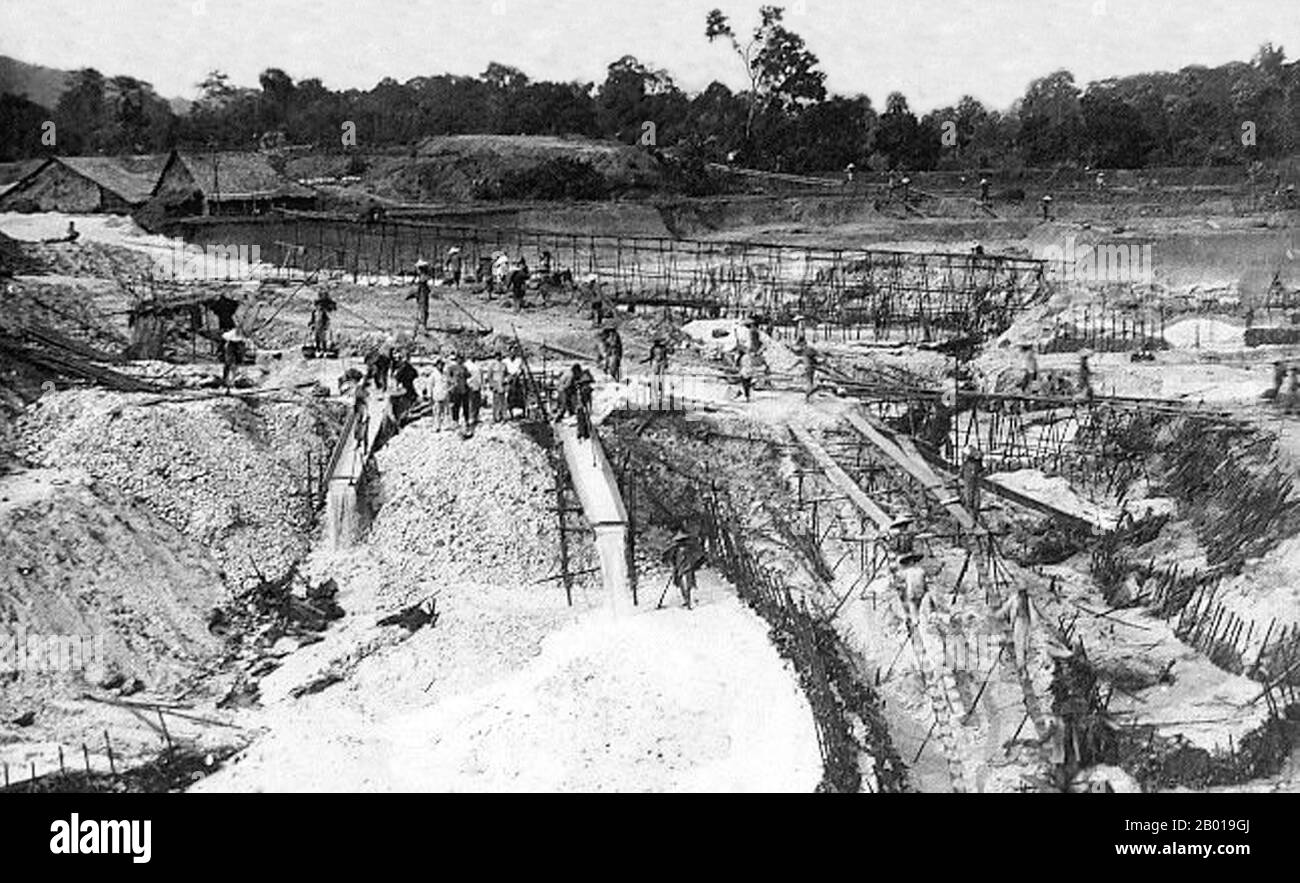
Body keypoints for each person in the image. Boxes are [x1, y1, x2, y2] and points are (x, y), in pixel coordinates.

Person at [997, 586, 1041, 669]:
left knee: (1025, 643)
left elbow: (1033, 612)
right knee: (1019, 642)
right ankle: (1020, 664)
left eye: (1023, 592)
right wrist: (999, 614)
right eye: (1021, 592)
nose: (1022, 594)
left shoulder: (1028, 600)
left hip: (1026, 622)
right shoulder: (1015, 598)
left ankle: (1023, 663)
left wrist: (1034, 623)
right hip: (1018, 621)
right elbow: (1006, 607)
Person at [663, 528, 706, 610]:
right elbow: (668, 557)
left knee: (688, 586)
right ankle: (687, 601)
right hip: (681, 570)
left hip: (687, 569)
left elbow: (698, 556)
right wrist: (673, 564)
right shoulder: (674, 549)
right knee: (684, 586)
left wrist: (694, 563)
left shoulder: (690, 548)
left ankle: (689, 602)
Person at [445, 353, 470, 431]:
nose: (460, 360)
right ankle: (455, 421)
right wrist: (453, 381)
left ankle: (466, 420)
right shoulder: (451, 368)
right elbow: (448, 377)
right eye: (459, 358)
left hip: (464, 389)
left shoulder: (464, 367)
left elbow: (468, 375)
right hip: (455, 390)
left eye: (461, 359)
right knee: (456, 406)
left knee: (465, 406)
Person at [644, 336, 670, 405]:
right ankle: (655, 396)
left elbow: (665, 356)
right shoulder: (654, 348)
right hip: (656, 363)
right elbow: (651, 357)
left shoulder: (662, 348)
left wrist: (666, 363)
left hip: (660, 363)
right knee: (655, 379)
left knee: (659, 379)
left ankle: (659, 395)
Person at [960, 446, 983, 519]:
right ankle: (970, 514)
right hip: (969, 481)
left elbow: (979, 470)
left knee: (975, 499)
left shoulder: (974, 463)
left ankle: (973, 514)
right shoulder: (967, 464)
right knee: (970, 498)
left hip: (974, 482)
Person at [408, 260, 432, 331]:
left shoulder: (423, 276)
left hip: (423, 292)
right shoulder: (422, 276)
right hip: (422, 292)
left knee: (423, 308)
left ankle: (423, 324)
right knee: (423, 308)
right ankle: (422, 323)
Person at [486, 350, 508, 422]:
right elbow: (489, 376)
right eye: (497, 356)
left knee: (503, 401)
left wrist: (506, 380)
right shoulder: (492, 365)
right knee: (496, 401)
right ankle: (496, 417)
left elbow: (506, 374)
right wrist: (491, 384)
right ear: (495, 357)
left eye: (500, 356)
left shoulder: (504, 365)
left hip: (502, 384)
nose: (498, 357)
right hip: (495, 384)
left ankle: (503, 416)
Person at [428, 358, 449, 430]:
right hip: (436, 395)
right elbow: (430, 385)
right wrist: (429, 395)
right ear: (436, 365)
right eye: (439, 364)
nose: (441, 366)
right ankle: (436, 426)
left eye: (442, 365)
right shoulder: (433, 375)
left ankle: (445, 425)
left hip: (445, 394)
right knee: (437, 412)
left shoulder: (445, 374)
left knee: (445, 411)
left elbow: (447, 383)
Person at [465, 355, 484, 428]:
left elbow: (481, 376)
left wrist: (482, 385)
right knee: (471, 403)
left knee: (477, 402)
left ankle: (476, 416)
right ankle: (471, 417)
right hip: (470, 386)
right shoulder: (467, 365)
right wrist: (468, 384)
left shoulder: (477, 365)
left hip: (477, 385)